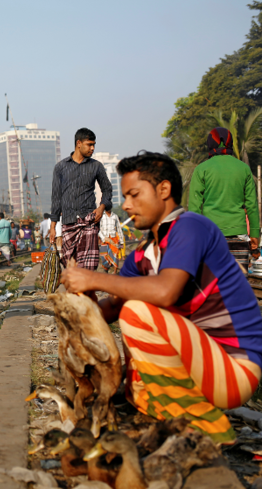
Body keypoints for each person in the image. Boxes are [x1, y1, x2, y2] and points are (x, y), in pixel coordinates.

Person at [61, 152, 262, 444]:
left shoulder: (191, 226)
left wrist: (94, 278)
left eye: (133, 195)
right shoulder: (142, 255)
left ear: (164, 190)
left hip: (235, 368)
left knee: (136, 312)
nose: (126, 205)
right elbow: (109, 310)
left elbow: (165, 292)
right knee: (115, 320)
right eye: (125, 197)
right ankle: (163, 409)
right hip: (200, 365)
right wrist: (83, 297)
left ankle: (208, 426)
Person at [189, 127, 260, 269]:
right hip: (239, 235)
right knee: (238, 284)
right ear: (230, 143)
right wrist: (254, 234)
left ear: (210, 144)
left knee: (212, 284)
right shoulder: (243, 168)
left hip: (210, 236)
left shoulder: (201, 169)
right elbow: (252, 205)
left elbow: (194, 207)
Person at [50, 128, 112, 270]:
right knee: (69, 264)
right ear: (79, 143)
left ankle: (85, 290)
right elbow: (56, 197)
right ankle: (77, 291)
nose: (92, 148)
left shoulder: (96, 166)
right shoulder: (60, 167)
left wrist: (101, 208)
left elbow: (107, 189)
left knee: (88, 267)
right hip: (68, 222)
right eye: (89, 144)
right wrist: (53, 227)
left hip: (89, 220)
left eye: (94, 145)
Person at [98, 209, 125, 274]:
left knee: (115, 255)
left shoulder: (115, 216)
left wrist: (121, 241)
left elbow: (118, 228)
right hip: (105, 240)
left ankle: (115, 272)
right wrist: (103, 238)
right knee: (104, 256)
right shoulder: (101, 216)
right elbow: (98, 229)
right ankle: (106, 270)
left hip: (114, 239)